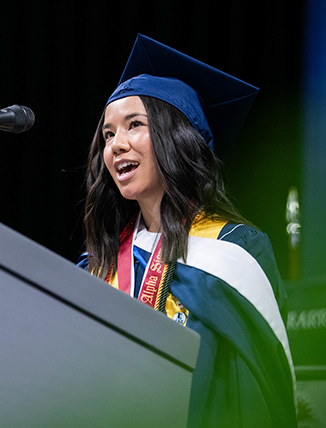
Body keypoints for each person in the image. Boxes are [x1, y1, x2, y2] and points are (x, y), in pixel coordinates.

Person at [78, 34, 297, 427]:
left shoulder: (233, 252)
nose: (116, 145)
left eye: (134, 125)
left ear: (176, 137)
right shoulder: (97, 265)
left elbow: (257, 388)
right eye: (108, 134)